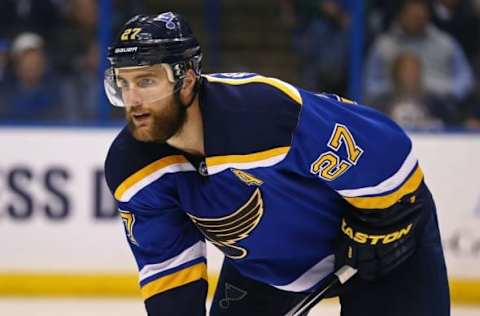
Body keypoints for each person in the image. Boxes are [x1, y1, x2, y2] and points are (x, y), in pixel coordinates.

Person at [103, 12, 450, 316]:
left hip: (378, 233)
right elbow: (169, 274)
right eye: (124, 83)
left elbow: (383, 146)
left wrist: (385, 219)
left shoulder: (257, 112)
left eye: (146, 81)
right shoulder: (131, 166)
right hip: (267, 268)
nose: (133, 100)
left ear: (187, 79)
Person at [365, 0, 474, 104]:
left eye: (421, 16)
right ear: (401, 15)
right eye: (413, 16)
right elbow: (370, 85)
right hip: (392, 105)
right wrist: (398, 89)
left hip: (439, 106)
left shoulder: (446, 43)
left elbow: (465, 79)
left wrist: (446, 93)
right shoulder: (384, 45)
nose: (418, 20)